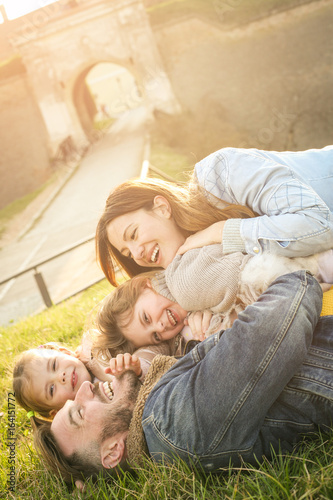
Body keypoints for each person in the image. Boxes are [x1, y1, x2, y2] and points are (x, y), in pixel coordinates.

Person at [33, 271, 333, 484]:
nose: (84, 388)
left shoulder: (159, 422)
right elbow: (279, 319)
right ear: (113, 451)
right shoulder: (173, 424)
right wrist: (295, 276)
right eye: (79, 412)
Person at [96, 146, 333, 287]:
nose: (137, 254)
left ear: (162, 208)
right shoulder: (201, 267)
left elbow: (319, 224)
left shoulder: (223, 172)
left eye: (133, 234)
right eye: (127, 253)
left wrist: (221, 231)